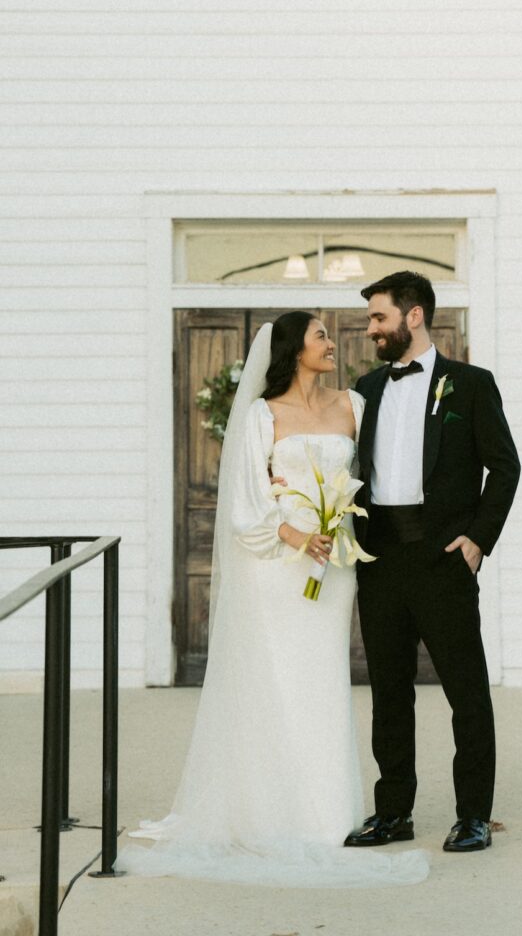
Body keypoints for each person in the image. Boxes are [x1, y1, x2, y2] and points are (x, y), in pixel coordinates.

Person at [115, 312, 428, 887]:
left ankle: (325, 812)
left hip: (332, 566)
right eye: (320, 336)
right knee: (275, 680)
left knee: (321, 680)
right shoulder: (262, 415)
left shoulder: (354, 406)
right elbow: (244, 500)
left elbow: (377, 475)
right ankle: (266, 808)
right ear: (293, 349)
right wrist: (293, 533)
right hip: (277, 565)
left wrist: (337, 530)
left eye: (329, 336)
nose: (332, 343)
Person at [344, 272, 520, 854]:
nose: (371, 329)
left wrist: (477, 539)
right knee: (389, 693)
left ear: (413, 316)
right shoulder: (366, 387)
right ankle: (393, 811)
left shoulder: (469, 385)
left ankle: (473, 815)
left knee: (465, 692)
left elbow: (505, 466)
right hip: (381, 560)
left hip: (443, 558)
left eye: (379, 317)